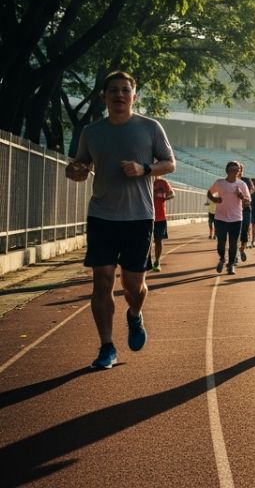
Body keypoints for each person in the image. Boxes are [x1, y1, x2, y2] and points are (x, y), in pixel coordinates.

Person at [65, 71, 176, 369]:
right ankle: (106, 346)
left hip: (139, 217)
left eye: (125, 90)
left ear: (134, 96)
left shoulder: (150, 128)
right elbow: (80, 166)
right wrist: (74, 171)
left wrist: (144, 169)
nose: (119, 95)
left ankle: (134, 315)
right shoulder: (92, 132)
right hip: (101, 215)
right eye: (113, 90)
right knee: (101, 282)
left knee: (132, 286)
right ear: (103, 96)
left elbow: (170, 163)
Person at [208, 162, 251, 275]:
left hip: (236, 218)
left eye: (237, 170)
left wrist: (241, 196)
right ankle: (222, 258)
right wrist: (214, 199)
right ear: (227, 171)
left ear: (239, 172)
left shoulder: (242, 184)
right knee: (221, 243)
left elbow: (247, 202)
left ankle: (231, 265)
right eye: (232, 169)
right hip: (220, 218)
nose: (234, 172)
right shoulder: (219, 183)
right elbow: (209, 192)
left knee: (233, 243)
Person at [150, 175, 174, 271]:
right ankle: (148, 261)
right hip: (146, 217)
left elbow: (172, 194)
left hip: (160, 217)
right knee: (147, 242)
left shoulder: (163, 182)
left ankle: (157, 261)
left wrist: (163, 196)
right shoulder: (144, 181)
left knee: (158, 241)